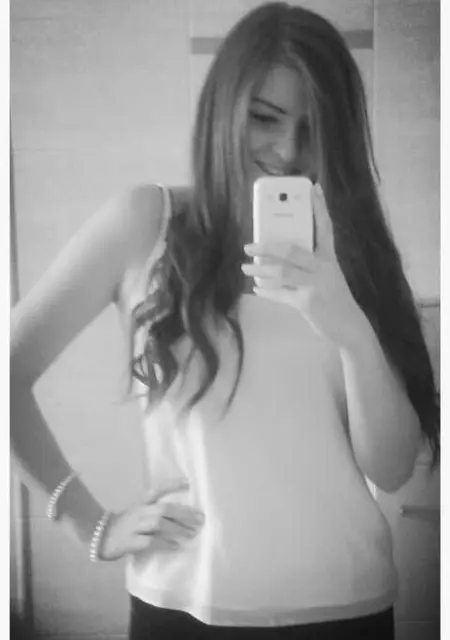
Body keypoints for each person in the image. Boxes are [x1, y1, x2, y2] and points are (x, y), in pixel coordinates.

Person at [10, 2, 440, 639]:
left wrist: (349, 328)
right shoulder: (146, 223)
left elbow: (393, 469)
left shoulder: (356, 248)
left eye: (315, 128)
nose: (288, 151)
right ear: (222, 111)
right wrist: (89, 522)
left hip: (344, 601)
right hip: (182, 603)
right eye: (264, 118)